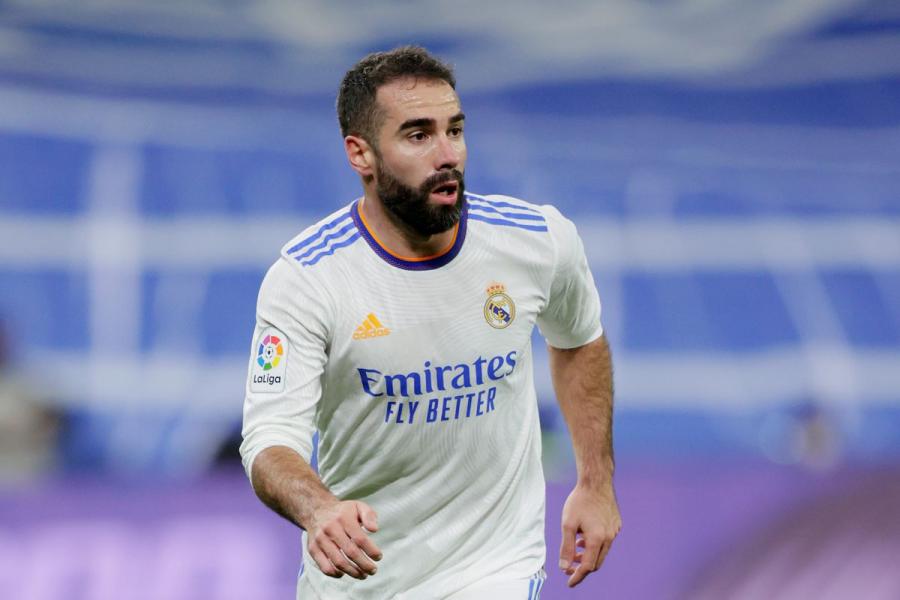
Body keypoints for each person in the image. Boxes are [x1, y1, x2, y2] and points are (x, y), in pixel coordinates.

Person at [240, 45, 621, 600]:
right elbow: (270, 439)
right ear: (361, 154)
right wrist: (319, 508)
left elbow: (579, 339)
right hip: (360, 580)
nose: (448, 155)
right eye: (418, 135)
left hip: (495, 568)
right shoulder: (307, 279)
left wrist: (595, 481)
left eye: (455, 130)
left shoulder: (537, 241)